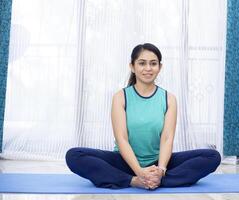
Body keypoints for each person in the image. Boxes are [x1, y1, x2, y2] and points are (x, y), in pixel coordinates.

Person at [65, 43, 221, 190]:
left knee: (212, 156)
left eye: (153, 63)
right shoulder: (120, 97)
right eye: (142, 63)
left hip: (158, 162)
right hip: (124, 161)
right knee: (74, 155)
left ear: (160, 67)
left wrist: (160, 169)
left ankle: (155, 179)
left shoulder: (169, 98)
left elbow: (167, 138)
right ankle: (133, 181)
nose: (148, 68)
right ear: (132, 66)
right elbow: (122, 139)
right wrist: (139, 172)